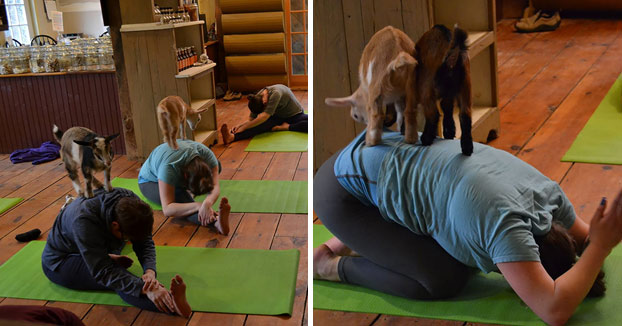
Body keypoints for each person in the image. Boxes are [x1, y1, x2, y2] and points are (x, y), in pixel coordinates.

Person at [313, 130, 621, 326]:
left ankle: (363, 235)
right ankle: (328, 265)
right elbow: (554, 310)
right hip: (340, 192)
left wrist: (598, 243)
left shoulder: (547, 195)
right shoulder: (504, 230)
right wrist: (600, 249)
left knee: (458, 244)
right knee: (442, 279)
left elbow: (589, 237)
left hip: (374, 149)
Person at [41, 188, 192, 317]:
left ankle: (103, 256)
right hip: (61, 261)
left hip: (90, 244)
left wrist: (150, 271)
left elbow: (144, 241)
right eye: (128, 238)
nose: (129, 240)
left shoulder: (132, 202)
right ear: (115, 225)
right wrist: (146, 288)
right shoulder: (83, 221)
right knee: (117, 278)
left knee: (118, 268)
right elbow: (103, 273)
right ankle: (173, 306)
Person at [138, 139, 230, 235]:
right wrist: (198, 206)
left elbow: (215, 185)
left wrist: (207, 203)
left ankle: (213, 218)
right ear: (185, 177)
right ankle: (216, 222)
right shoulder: (168, 168)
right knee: (182, 203)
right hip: (150, 182)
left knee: (217, 165)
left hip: (176, 169)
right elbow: (168, 209)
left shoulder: (207, 155)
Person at [220, 84, 308, 144]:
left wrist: (244, 127)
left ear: (265, 104)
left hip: (294, 115)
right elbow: (252, 119)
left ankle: (287, 127)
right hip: (277, 116)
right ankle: (232, 137)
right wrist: (241, 125)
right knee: (260, 125)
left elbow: (264, 116)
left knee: (312, 124)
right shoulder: (257, 98)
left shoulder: (275, 94)